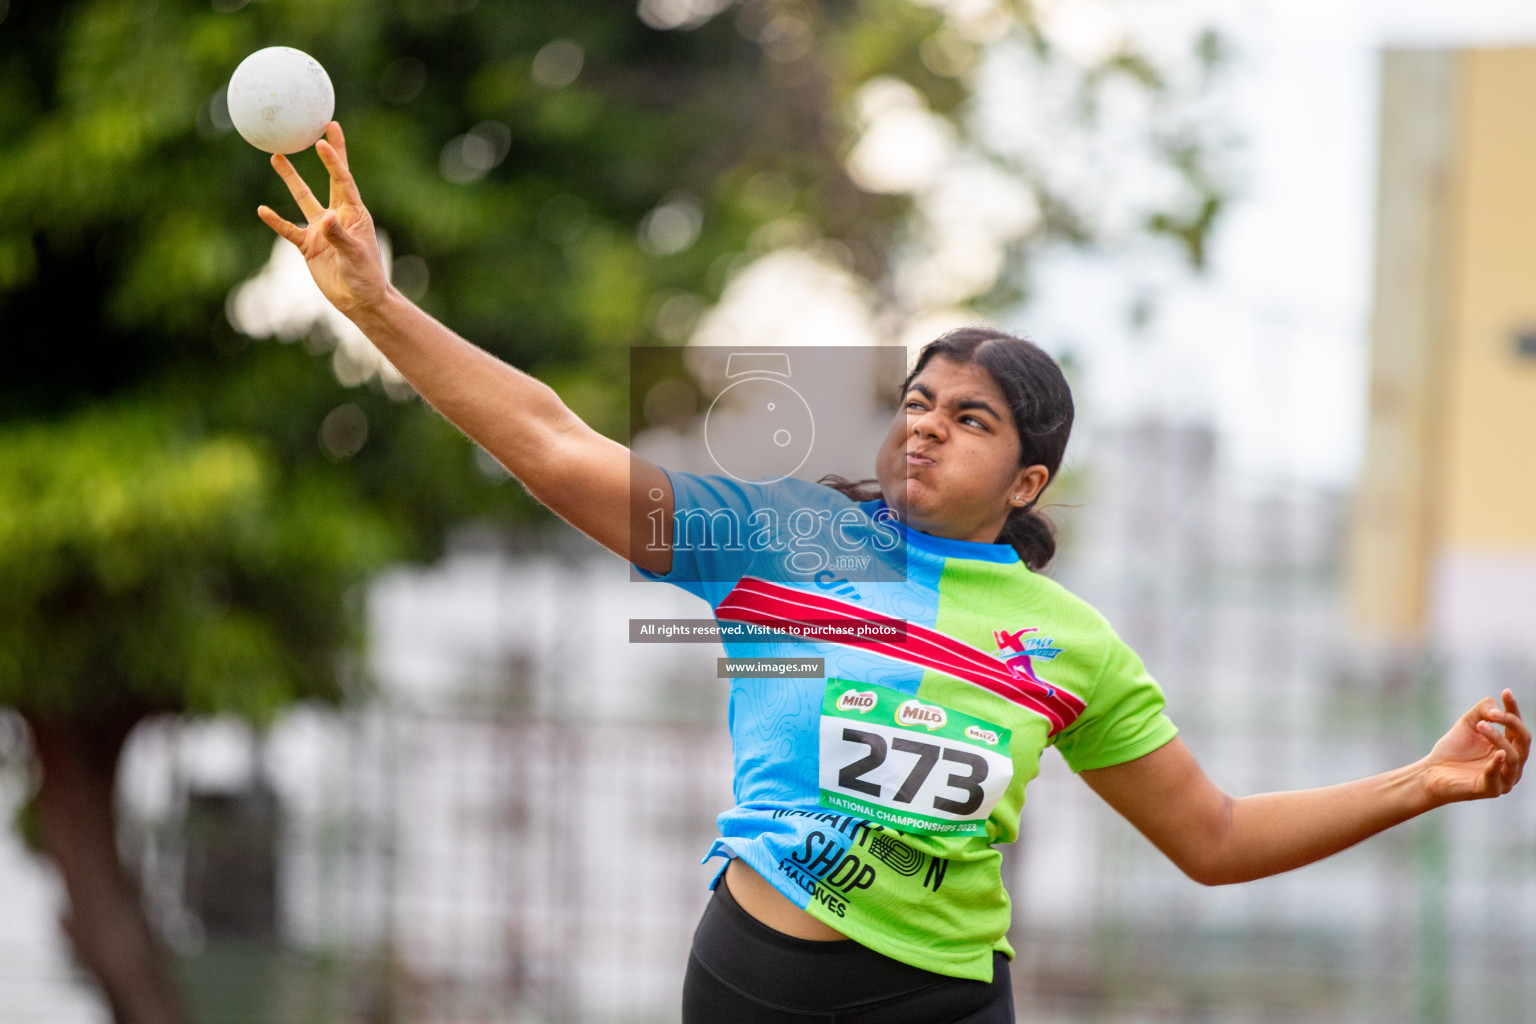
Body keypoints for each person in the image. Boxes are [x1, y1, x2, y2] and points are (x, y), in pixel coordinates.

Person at [259, 122, 1529, 1024]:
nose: (925, 423)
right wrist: (375, 306)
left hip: (942, 1000)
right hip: (756, 978)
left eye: (971, 418)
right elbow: (549, 440)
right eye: (919, 401)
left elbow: (1215, 837)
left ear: (1029, 482)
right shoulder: (787, 543)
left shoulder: (1070, 641)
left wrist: (1421, 782)